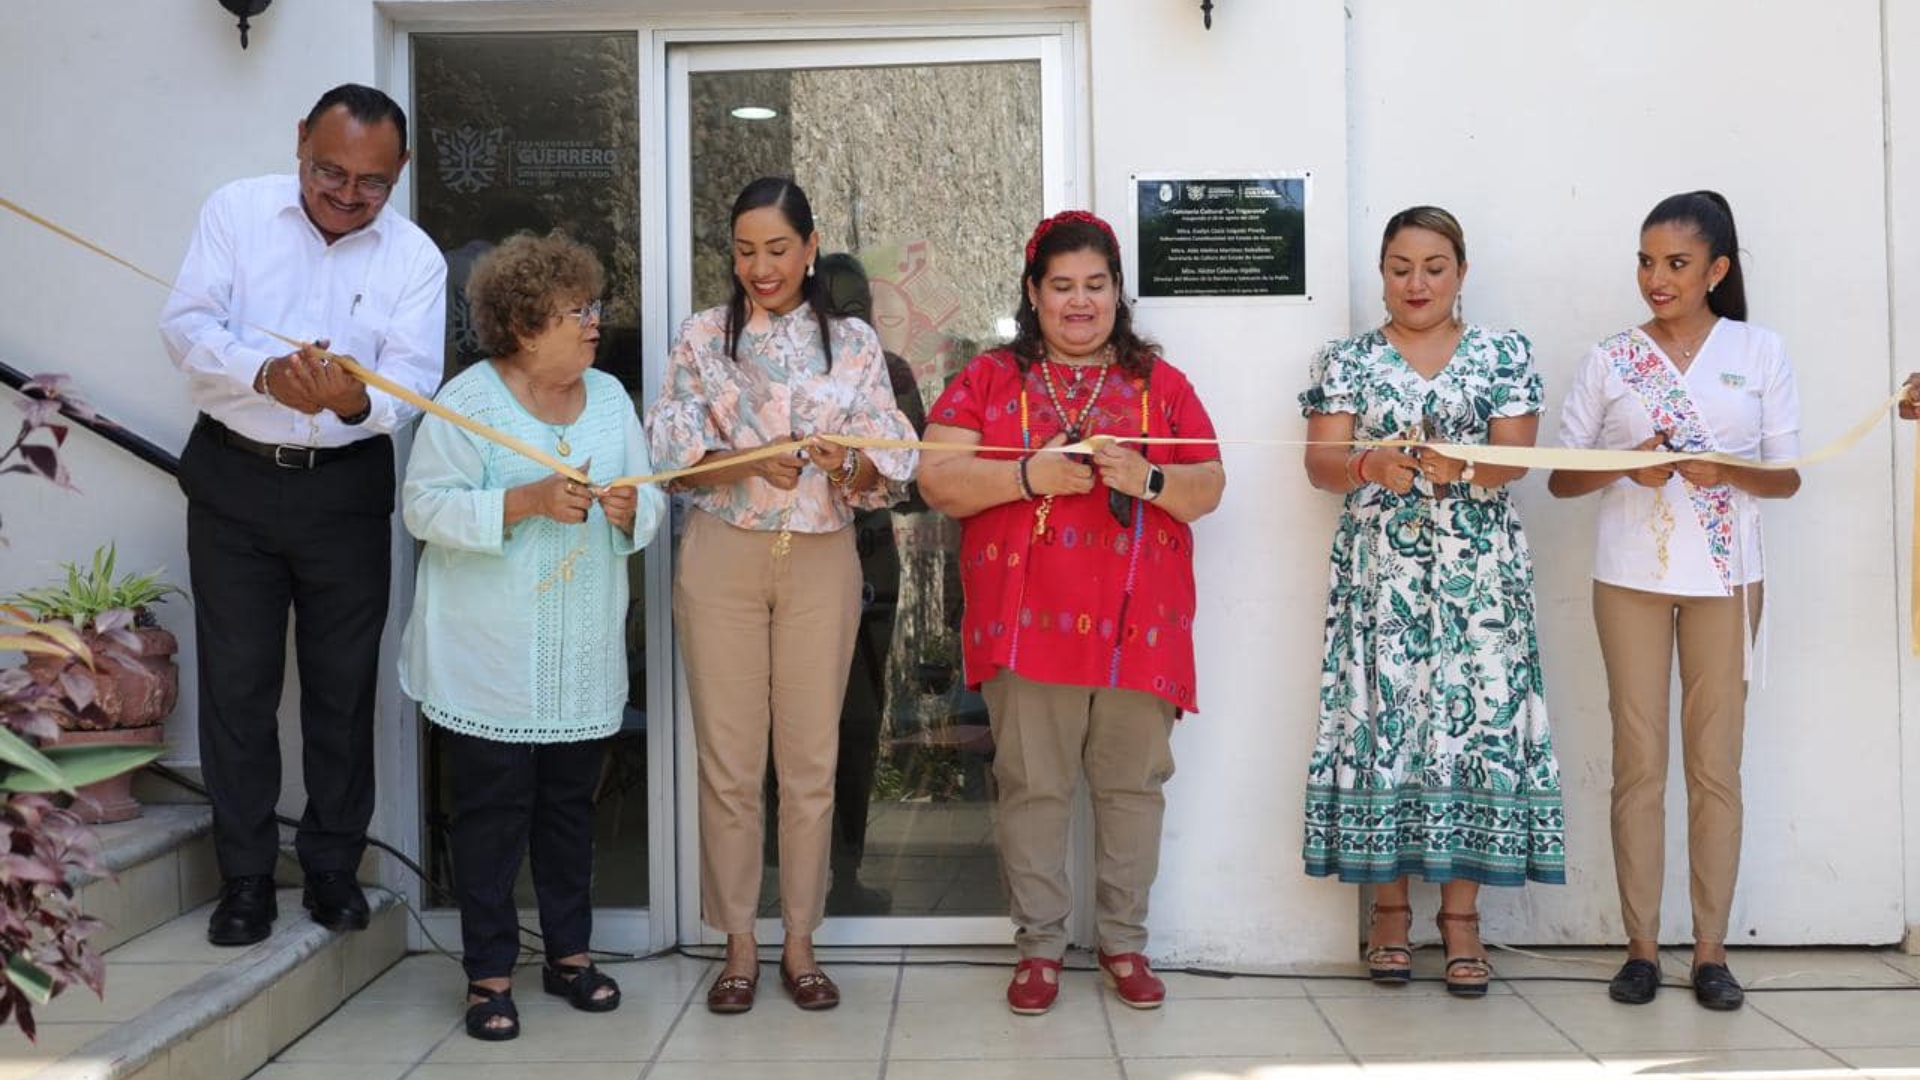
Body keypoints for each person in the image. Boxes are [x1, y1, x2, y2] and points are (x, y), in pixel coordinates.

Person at [159, 83, 448, 946]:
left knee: (341, 689)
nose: (347, 195)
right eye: (330, 172)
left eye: (371, 183)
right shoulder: (237, 212)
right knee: (238, 689)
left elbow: (415, 381)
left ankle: (331, 869)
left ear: (399, 174)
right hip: (234, 481)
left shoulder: (415, 257)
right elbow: (185, 325)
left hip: (345, 489)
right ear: (299, 145)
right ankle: (245, 879)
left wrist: (356, 405)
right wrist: (264, 373)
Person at [918, 210, 1226, 1016]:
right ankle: (1040, 950)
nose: (1080, 303)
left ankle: (1124, 944)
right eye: (1062, 287)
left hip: (1137, 629)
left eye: (1096, 286)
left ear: (1118, 293)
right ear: (1033, 292)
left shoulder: (1164, 386)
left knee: (1131, 789)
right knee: (1033, 788)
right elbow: (936, 478)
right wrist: (1029, 477)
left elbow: (1210, 486)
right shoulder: (990, 380)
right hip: (1026, 630)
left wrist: (1148, 482)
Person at [646, 178, 916, 1014]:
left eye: (776, 249)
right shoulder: (700, 337)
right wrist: (745, 462)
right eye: (743, 250)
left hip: (823, 557)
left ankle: (800, 944)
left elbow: (891, 465)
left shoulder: (857, 345)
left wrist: (841, 463)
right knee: (729, 764)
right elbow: (668, 446)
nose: (760, 267)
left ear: (809, 248)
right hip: (722, 555)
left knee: (809, 764)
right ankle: (737, 946)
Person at [397, 231, 662, 1040]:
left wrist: (628, 512)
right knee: (489, 817)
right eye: (573, 312)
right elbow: (423, 509)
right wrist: (523, 502)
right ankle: (488, 974)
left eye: (592, 307)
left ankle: (570, 957)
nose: (592, 324)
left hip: (580, 657)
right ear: (520, 326)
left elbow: (652, 502)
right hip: (490, 660)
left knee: (567, 816)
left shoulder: (612, 400)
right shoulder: (466, 405)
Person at [1298, 205, 1565, 998]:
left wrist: (1464, 468)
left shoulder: (1501, 353)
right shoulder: (1346, 359)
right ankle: (1387, 916)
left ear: (1461, 272)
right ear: (1381, 272)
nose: (1416, 283)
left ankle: (1460, 922)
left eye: (1434, 266)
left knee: (1475, 723)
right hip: (1382, 574)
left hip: (1480, 574)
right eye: (1400, 266)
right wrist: (1367, 466)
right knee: (1385, 717)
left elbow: (1519, 460)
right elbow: (1319, 463)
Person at [1549, 191, 1801, 1012]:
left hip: (1727, 579)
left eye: (1677, 264)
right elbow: (1560, 477)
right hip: (1630, 576)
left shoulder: (1759, 352)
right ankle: (1641, 950)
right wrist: (1628, 463)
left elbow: (1788, 476)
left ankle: (1713, 951)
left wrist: (1722, 469)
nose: (1656, 278)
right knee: (1639, 761)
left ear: (1717, 270)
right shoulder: (1612, 358)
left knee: (1715, 765)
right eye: (1646, 261)